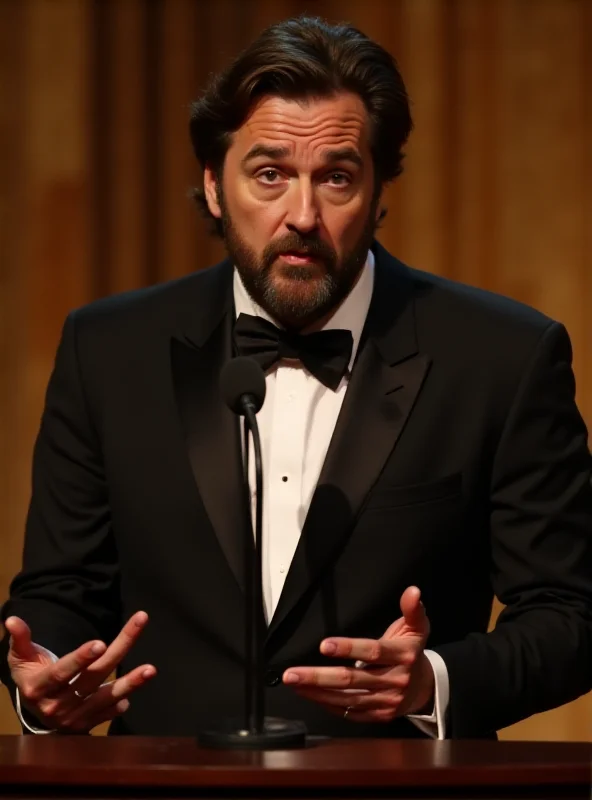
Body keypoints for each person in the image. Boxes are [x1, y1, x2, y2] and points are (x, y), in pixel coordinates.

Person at [1, 15, 591, 740]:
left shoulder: (501, 356)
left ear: (378, 194)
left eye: (336, 177)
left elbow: (571, 615)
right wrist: (44, 676)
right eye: (270, 174)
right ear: (215, 187)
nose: (302, 215)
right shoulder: (109, 349)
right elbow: (60, 590)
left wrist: (433, 681)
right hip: (162, 792)